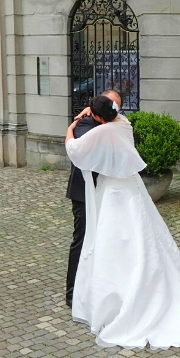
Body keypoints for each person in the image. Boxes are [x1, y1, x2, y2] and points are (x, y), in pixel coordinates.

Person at [64, 95, 180, 349]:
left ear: (99, 117)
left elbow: (73, 148)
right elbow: (111, 117)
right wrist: (93, 112)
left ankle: (115, 299)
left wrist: (72, 127)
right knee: (141, 237)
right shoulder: (123, 124)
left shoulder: (101, 133)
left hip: (113, 192)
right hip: (132, 189)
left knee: (112, 240)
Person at [64, 90, 122, 308]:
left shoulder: (113, 123)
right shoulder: (84, 125)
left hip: (106, 192)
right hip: (83, 193)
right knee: (81, 240)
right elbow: (77, 148)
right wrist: (71, 126)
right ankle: (72, 293)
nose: (115, 113)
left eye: (117, 108)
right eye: (112, 108)